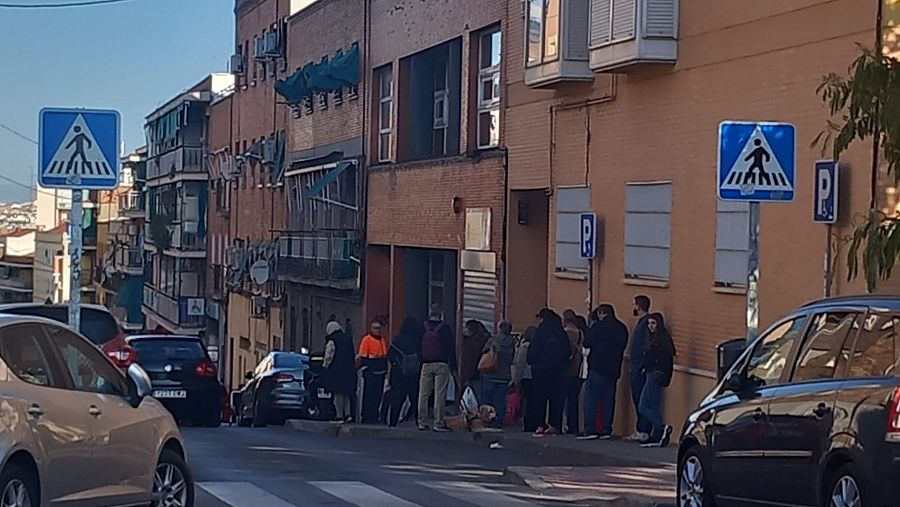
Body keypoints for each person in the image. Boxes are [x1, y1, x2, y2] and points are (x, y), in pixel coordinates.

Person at [578, 304, 629, 440]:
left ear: (601, 313)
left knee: (592, 399)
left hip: (597, 368)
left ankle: (590, 430)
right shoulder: (621, 328)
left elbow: (587, 342)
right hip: (613, 369)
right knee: (608, 400)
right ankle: (607, 429)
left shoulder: (598, 327)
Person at [528, 308, 572, 437]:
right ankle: (554, 425)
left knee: (540, 399)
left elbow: (533, 352)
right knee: (556, 399)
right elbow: (567, 351)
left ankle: (540, 425)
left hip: (541, 371)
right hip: (559, 372)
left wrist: (534, 363)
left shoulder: (540, 332)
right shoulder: (561, 333)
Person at [639, 313, 676, 448]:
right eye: (649, 324)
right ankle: (659, 431)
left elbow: (663, 359)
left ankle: (660, 430)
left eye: (653, 323)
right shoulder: (653, 339)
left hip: (655, 375)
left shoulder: (661, 341)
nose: (650, 326)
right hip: (651, 373)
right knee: (644, 406)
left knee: (652, 405)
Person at [418, 304, 457, 432]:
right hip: (442, 364)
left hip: (426, 364)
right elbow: (451, 348)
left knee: (423, 393)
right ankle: (438, 422)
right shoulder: (445, 329)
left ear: (429, 313)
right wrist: (454, 366)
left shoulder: (423, 327)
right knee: (440, 394)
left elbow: (418, 346)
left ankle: (422, 421)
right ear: (441, 314)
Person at [626, 295, 653, 443]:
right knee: (639, 399)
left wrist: (640, 365)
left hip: (639, 368)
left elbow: (643, 346)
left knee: (641, 399)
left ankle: (644, 429)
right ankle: (642, 428)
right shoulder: (642, 323)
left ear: (638, 306)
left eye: (634, 305)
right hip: (637, 366)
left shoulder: (644, 324)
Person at [388, 317, 422, 427]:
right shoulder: (418, 340)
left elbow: (391, 356)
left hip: (399, 374)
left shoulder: (398, 339)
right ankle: (419, 422)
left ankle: (393, 422)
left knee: (397, 399)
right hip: (414, 374)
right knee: (415, 399)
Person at [480, 321, 515, 428]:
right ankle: (499, 420)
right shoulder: (512, 342)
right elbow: (512, 358)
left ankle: (486, 419)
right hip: (504, 375)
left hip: (491, 373)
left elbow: (484, 351)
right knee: (501, 399)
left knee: (487, 398)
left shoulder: (493, 340)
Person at [322, 321, 356, 423]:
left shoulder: (332, 340)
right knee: (346, 394)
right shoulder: (348, 339)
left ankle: (339, 416)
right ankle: (348, 415)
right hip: (349, 370)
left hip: (336, 371)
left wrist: (325, 366)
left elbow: (329, 355)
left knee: (338, 395)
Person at [357, 320, 388, 424]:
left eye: (379, 328)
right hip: (370, 372)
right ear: (371, 329)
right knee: (369, 395)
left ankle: (374, 416)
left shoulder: (382, 340)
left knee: (378, 396)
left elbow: (384, 355)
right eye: (375, 328)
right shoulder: (366, 340)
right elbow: (363, 357)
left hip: (380, 372)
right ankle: (366, 416)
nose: (377, 330)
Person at [562, 311, 585, 435]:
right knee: (573, 400)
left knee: (564, 400)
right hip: (577, 370)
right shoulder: (580, 333)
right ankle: (574, 426)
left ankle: (565, 425)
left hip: (566, 370)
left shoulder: (564, 333)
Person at [512, 326, 536, 431]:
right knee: (534, 402)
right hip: (536, 376)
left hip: (526, 376)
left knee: (525, 401)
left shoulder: (524, 347)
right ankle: (534, 422)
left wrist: (516, 380)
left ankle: (526, 423)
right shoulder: (538, 346)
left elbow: (520, 364)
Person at [461, 320, 490, 395]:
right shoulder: (486, 338)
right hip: (483, 372)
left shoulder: (472, 342)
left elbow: (469, 360)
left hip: (474, 373)